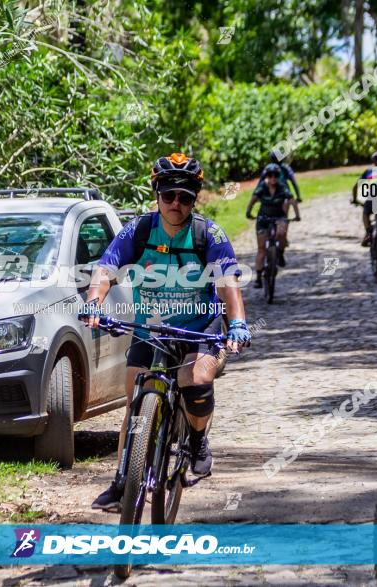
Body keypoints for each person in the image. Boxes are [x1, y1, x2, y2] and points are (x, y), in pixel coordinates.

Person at [81, 152, 251, 512]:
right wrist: (94, 302)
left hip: (198, 328)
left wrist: (236, 323)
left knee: (195, 376)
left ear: (195, 199)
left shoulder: (210, 234)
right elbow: (105, 270)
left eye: (186, 197)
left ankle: (198, 439)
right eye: (169, 195)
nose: (177, 203)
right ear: (156, 193)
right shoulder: (139, 230)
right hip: (150, 329)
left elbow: (228, 286)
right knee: (135, 399)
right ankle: (122, 480)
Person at [246, 162, 295, 285]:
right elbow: (253, 200)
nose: (273, 178)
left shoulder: (282, 186)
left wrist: (297, 215)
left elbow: (292, 199)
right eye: (270, 175)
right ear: (266, 176)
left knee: (282, 233)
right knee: (261, 249)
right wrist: (248, 212)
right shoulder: (262, 186)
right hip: (263, 218)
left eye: (276, 176)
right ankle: (258, 277)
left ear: (278, 176)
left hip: (279, 216)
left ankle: (279, 253)